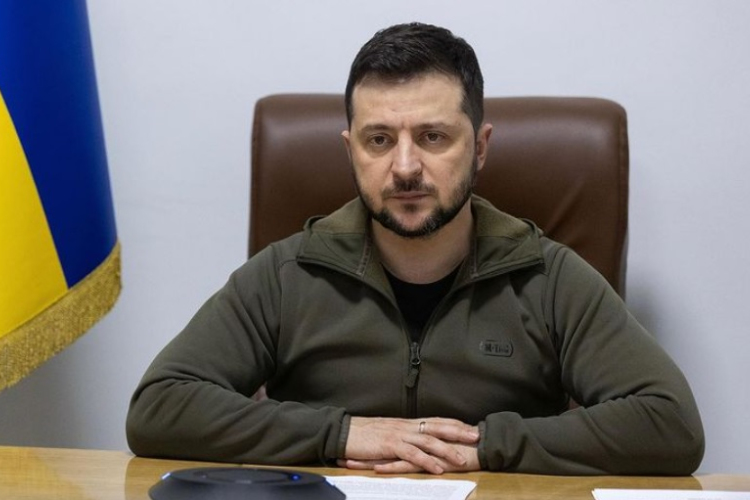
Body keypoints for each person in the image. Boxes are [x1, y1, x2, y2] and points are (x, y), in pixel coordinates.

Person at [126, 22, 704, 475]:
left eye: (433, 137)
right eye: (379, 140)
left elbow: (670, 424)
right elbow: (159, 407)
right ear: (350, 150)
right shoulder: (286, 272)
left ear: (480, 148)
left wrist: (485, 445)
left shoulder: (547, 276)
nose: (405, 167)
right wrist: (341, 433)